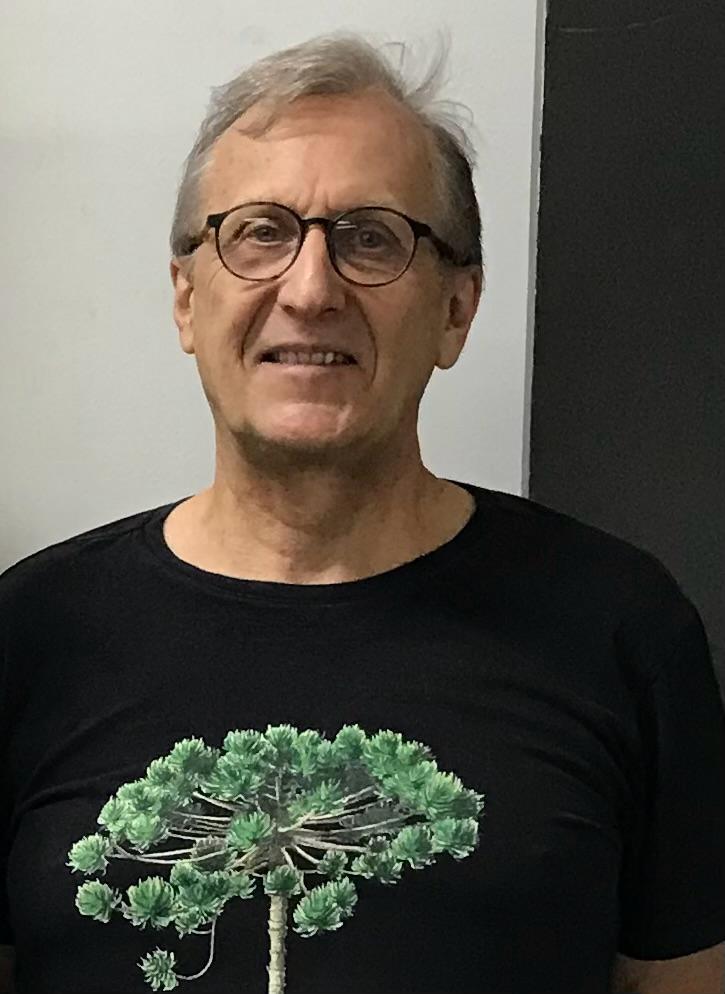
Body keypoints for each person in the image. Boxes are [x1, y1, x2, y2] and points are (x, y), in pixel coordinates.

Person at [1, 30, 724, 994]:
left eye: (371, 238)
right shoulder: (31, 634)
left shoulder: (618, 627)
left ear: (456, 308)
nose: (309, 290)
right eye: (259, 232)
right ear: (185, 298)